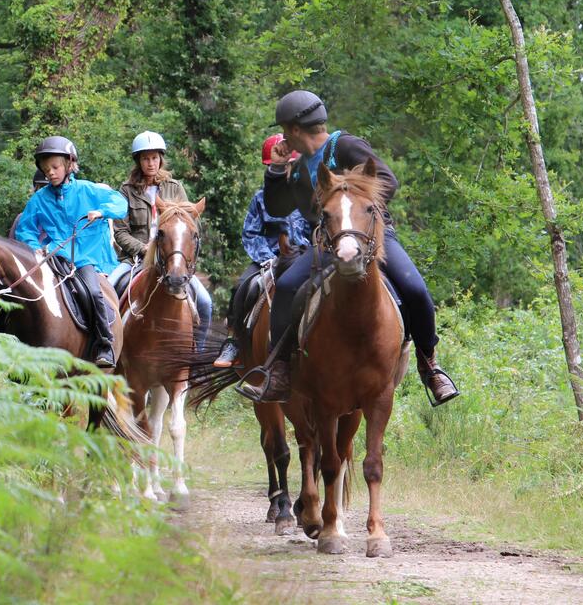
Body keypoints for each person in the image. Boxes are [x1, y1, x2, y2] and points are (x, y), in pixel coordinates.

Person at [239, 90, 460, 407]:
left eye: (286, 130)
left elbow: (387, 180)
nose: (285, 137)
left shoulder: (344, 146)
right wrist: (275, 170)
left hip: (370, 239)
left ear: (297, 130)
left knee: (414, 288)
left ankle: (430, 365)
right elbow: (277, 205)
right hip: (326, 245)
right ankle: (281, 370)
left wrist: (350, 203)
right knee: (286, 286)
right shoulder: (299, 168)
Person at [14, 136, 127, 369]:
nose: (51, 173)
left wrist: (102, 211)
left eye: (55, 167)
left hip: (84, 258)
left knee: (93, 292)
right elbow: (24, 229)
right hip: (53, 257)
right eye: (46, 170)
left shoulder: (88, 189)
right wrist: (35, 248)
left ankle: (104, 343)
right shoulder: (39, 200)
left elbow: (120, 203)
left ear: (69, 164)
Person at [109, 131, 213, 354]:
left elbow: (187, 225)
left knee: (204, 302)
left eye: (154, 158)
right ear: (138, 161)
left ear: (160, 159)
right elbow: (120, 230)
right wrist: (143, 248)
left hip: (171, 259)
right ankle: (109, 348)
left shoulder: (175, 187)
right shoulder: (126, 191)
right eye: (145, 158)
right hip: (134, 260)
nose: (150, 163)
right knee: (108, 290)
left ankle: (198, 354)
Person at [214, 134, 311, 368]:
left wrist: (308, 250)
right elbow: (250, 233)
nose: (285, 170)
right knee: (243, 286)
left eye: (289, 165)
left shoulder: (310, 196)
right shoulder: (260, 198)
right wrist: (266, 258)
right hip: (268, 258)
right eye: (278, 166)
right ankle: (234, 341)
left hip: (304, 257)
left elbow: (316, 229)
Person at [8, 169, 49, 239]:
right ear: (36, 190)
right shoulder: (21, 219)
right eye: (42, 187)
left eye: (51, 188)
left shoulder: (66, 222)